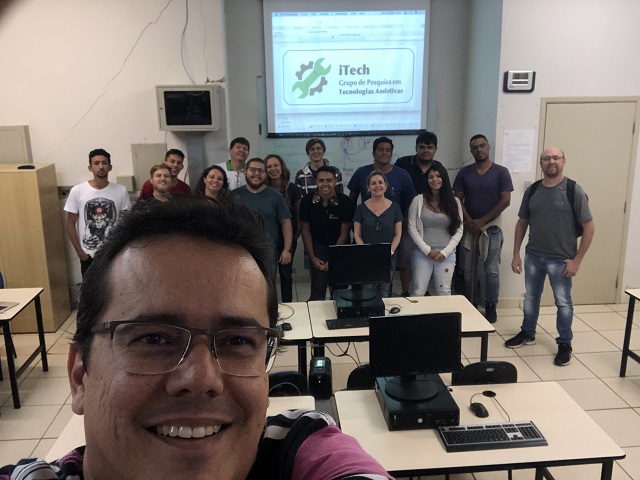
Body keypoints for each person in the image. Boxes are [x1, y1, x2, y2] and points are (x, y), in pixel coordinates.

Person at [0, 197, 392, 479]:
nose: (202, 378)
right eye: (154, 339)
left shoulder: (298, 447)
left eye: (237, 341)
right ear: (79, 375)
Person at [505, 147, 594, 366]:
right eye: (547, 158)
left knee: (563, 303)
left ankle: (565, 343)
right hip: (533, 256)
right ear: (541, 163)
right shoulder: (533, 190)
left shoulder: (574, 190)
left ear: (563, 161)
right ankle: (528, 332)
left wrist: (577, 260)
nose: (551, 162)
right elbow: (522, 222)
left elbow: (589, 227)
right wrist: (516, 254)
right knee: (530, 298)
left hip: (561, 260)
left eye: (556, 158)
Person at [453, 134, 513, 322]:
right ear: (471, 151)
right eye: (475, 147)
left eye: (482, 145)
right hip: (470, 228)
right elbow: (457, 199)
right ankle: (471, 302)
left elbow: (505, 201)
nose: (479, 149)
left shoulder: (501, 172)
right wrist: (470, 221)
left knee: (491, 270)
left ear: (488, 147)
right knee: (468, 270)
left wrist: (482, 221)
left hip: (492, 228)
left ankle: (491, 305)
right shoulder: (465, 173)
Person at [348, 136, 416, 296]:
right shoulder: (361, 172)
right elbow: (351, 199)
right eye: (380, 150)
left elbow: (411, 201)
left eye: (388, 150)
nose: (384, 153)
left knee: (385, 284)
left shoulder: (402, 175)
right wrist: (357, 225)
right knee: (364, 285)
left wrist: (401, 224)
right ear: (373, 153)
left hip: (391, 234)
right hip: (366, 233)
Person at [395, 131, 448, 295]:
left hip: (431, 221)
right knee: (405, 257)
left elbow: (445, 192)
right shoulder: (403, 164)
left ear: (435, 149)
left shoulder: (438, 168)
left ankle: (421, 289)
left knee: (425, 255)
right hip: (407, 220)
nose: (426, 150)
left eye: (429, 147)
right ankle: (406, 291)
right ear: (416, 148)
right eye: (422, 147)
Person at [64, 148, 131, 277]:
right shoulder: (78, 191)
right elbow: (70, 224)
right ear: (90, 168)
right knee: (90, 289)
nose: (101, 167)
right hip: (88, 256)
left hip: (113, 255)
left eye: (104, 163)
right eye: (96, 163)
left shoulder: (120, 190)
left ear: (110, 167)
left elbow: (126, 222)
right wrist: (80, 253)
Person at [299, 166, 354, 301]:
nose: (325, 184)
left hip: (339, 248)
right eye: (321, 180)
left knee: (340, 292)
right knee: (317, 291)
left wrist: (333, 258)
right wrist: (312, 257)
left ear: (335, 181)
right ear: (316, 182)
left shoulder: (346, 202)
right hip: (317, 248)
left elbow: (344, 233)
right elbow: (305, 230)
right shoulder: (307, 201)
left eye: (329, 180)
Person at [407, 164, 463, 297]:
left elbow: (460, 229)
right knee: (418, 291)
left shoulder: (454, 202)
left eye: (438, 176)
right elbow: (411, 227)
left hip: (446, 255)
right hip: (422, 254)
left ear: (444, 178)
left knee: (444, 292)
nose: (435, 180)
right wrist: (427, 250)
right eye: (431, 177)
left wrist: (445, 252)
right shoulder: (418, 200)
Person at [231, 158, 293, 275]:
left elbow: (286, 223)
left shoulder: (276, 196)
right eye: (253, 170)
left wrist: (287, 249)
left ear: (265, 174)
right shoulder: (234, 196)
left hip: (268, 253)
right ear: (245, 172)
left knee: (267, 284)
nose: (257, 173)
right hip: (242, 253)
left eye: (261, 171)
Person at [353, 170, 403, 298]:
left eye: (380, 182)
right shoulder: (360, 209)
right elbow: (357, 234)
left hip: (387, 258)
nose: (377, 186)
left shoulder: (395, 208)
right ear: (368, 188)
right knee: (367, 293)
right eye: (373, 183)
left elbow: (397, 234)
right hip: (367, 257)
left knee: (384, 294)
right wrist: (366, 251)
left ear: (386, 186)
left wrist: (389, 252)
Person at [265, 154, 302, 303]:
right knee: (269, 275)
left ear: (282, 167)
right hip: (268, 239)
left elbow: (298, 214)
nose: (273, 169)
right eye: (269, 166)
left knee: (286, 274)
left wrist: (296, 235)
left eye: (276, 165)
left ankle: (288, 305)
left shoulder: (292, 188)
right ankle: (271, 306)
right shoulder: (263, 189)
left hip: (288, 238)